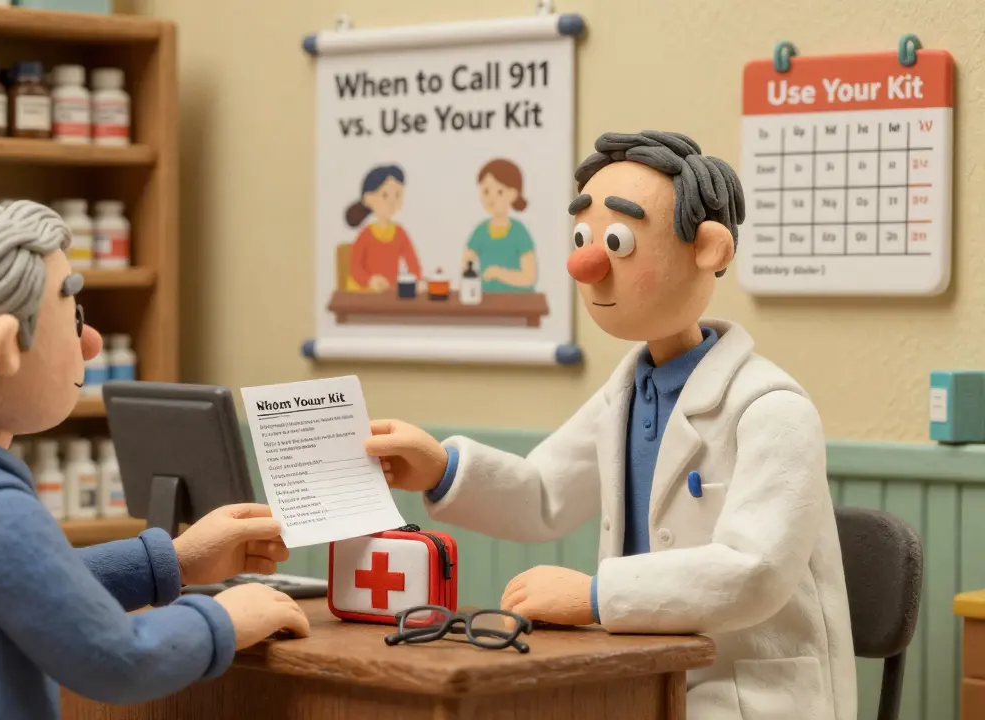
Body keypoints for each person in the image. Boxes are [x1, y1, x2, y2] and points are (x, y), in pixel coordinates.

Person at [364, 132, 856, 719]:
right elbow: (544, 493)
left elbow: (756, 570)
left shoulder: (772, 409)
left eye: (617, 242)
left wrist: (596, 595)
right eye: (583, 239)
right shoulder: (626, 394)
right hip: (639, 677)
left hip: (748, 694)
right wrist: (441, 469)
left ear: (708, 248)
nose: (587, 263)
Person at [0, 201, 310, 720]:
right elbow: (119, 661)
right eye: (73, 318)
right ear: (7, 346)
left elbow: (35, 589)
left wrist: (173, 561)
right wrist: (225, 619)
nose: (92, 343)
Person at [344, 164, 422, 292]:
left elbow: (413, 263)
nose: (392, 201)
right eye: (385, 195)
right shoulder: (366, 235)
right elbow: (355, 268)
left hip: (389, 293)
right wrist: (370, 280)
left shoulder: (399, 233)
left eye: (397, 195)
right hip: (366, 293)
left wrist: (416, 280)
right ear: (368, 199)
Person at [463, 158, 537, 292]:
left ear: (513, 194)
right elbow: (466, 264)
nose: (491, 198)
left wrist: (498, 273)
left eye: (499, 192)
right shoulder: (480, 232)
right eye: (486, 191)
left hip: (518, 300)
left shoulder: (519, 232)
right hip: (486, 299)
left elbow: (529, 277)